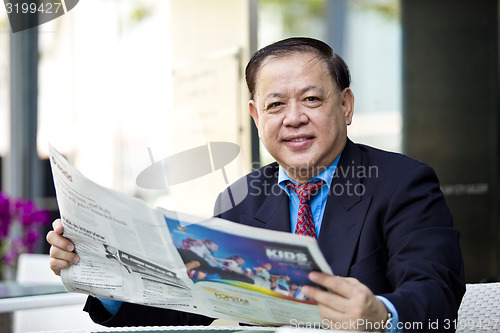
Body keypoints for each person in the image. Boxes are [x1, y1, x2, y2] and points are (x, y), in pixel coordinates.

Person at [47, 37, 465, 331]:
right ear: (255, 116)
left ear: (346, 105)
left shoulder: (402, 184)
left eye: (312, 99)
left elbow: (438, 294)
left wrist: (382, 315)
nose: (294, 117)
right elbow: (191, 304)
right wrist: (102, 276)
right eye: (275, 105)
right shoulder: (240, 200)